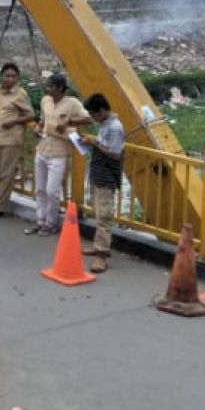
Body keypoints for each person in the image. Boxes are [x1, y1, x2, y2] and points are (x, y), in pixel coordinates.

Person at [26, 73, 91, 237]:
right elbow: (43, 119)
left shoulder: (72, 103)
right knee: (40, 188)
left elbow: (88, 118)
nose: (47, 89)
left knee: (52, 191)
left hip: (59, 153)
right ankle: (40, 221)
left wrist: (69, 122)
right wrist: (38, 127)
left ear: (60, 88)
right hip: (42, 148)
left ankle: (51, 223)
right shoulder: (45, 101)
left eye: (50, 86)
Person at [78, 93, 124, 274]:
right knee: (98, 212)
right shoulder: (104, 125)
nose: (93, 118)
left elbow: (115, 153)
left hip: (106, 176)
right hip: (98, 173)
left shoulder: (114, 128)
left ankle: (102, 255)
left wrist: (95, 142)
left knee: (104, 216)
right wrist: (91, 142)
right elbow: (103, 145)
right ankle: (98, 246)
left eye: (94, 114)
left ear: (102, 110)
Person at [0, 62, 35, 220]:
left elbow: (31, 115)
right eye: (7, 75)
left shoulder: (20, 94)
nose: (10, 79)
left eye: (13, 76)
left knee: (6, 174)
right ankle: (11, 178)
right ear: (2, 76)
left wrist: (13, 122)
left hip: (12, 139)